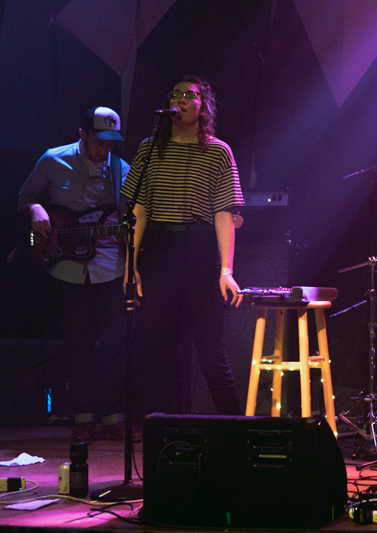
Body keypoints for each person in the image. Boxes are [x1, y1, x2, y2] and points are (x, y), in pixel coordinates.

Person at [122, 76, 244, 417]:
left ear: (203, 106)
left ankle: (235, 432)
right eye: (175, 94)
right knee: (163, 355)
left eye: (189, 95)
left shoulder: (218, 151)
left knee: (212, 355)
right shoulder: (149, 149)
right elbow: (139, 210)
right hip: (159, 252)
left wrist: (226, 270)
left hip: (200, 251)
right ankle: (174, 436)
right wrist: (131, 266)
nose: (180, 99)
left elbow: (224, 213)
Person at [17, 107, 131, 443]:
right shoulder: (53, 159)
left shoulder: (121, 170)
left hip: (110, 268)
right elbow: (24, 198)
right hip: (65, 268)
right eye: (98, 142)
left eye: (110, 144)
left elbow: (131, 219)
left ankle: (112, 416)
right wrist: (37, 210)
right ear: (82, 134)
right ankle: (83, 417)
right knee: (77, 345)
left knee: (113, 346)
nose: (104, 150)